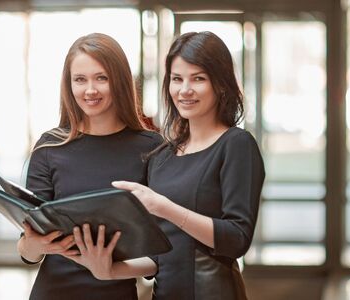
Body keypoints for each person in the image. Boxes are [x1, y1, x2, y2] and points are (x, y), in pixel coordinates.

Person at [65, 31, 265, 300]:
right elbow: (161, 256)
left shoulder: (236, 145)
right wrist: (109, 271)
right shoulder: (162, 155)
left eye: (198, 79)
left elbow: (237, 238)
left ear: (221, 84)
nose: (185, 90)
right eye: (177, 79)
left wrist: (164, 208)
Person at [16, 32, 162, 300]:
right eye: (80, 80)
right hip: (53, 292)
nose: (90, 90)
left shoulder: (152, 147)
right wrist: (33, 245)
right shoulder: (49, 147)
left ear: (119, 81)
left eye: (101, 78)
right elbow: (28, 252)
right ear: (68, 85)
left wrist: (110, 269)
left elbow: (160, 250)